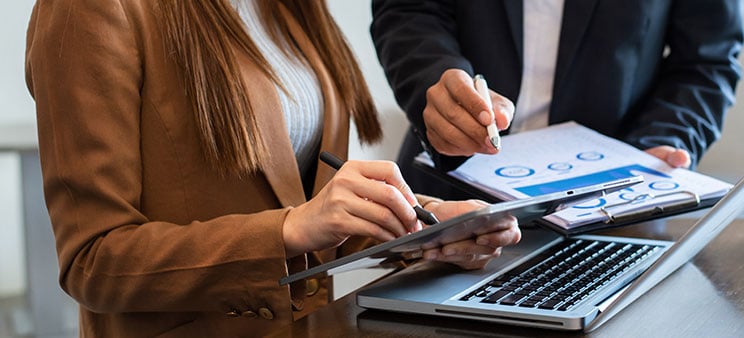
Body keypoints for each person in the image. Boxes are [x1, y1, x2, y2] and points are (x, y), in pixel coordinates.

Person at [25, 0, 520, 335]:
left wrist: (424, 230)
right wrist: (288, 229)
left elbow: (314, 215)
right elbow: (93, 262)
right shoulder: (89, 11)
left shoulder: (293, 8)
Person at [371, 0, 744, 200]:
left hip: (616, 199)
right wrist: (436, 85)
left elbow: (706, 60)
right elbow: (409, 9)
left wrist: (665, 140)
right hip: (447, 193)